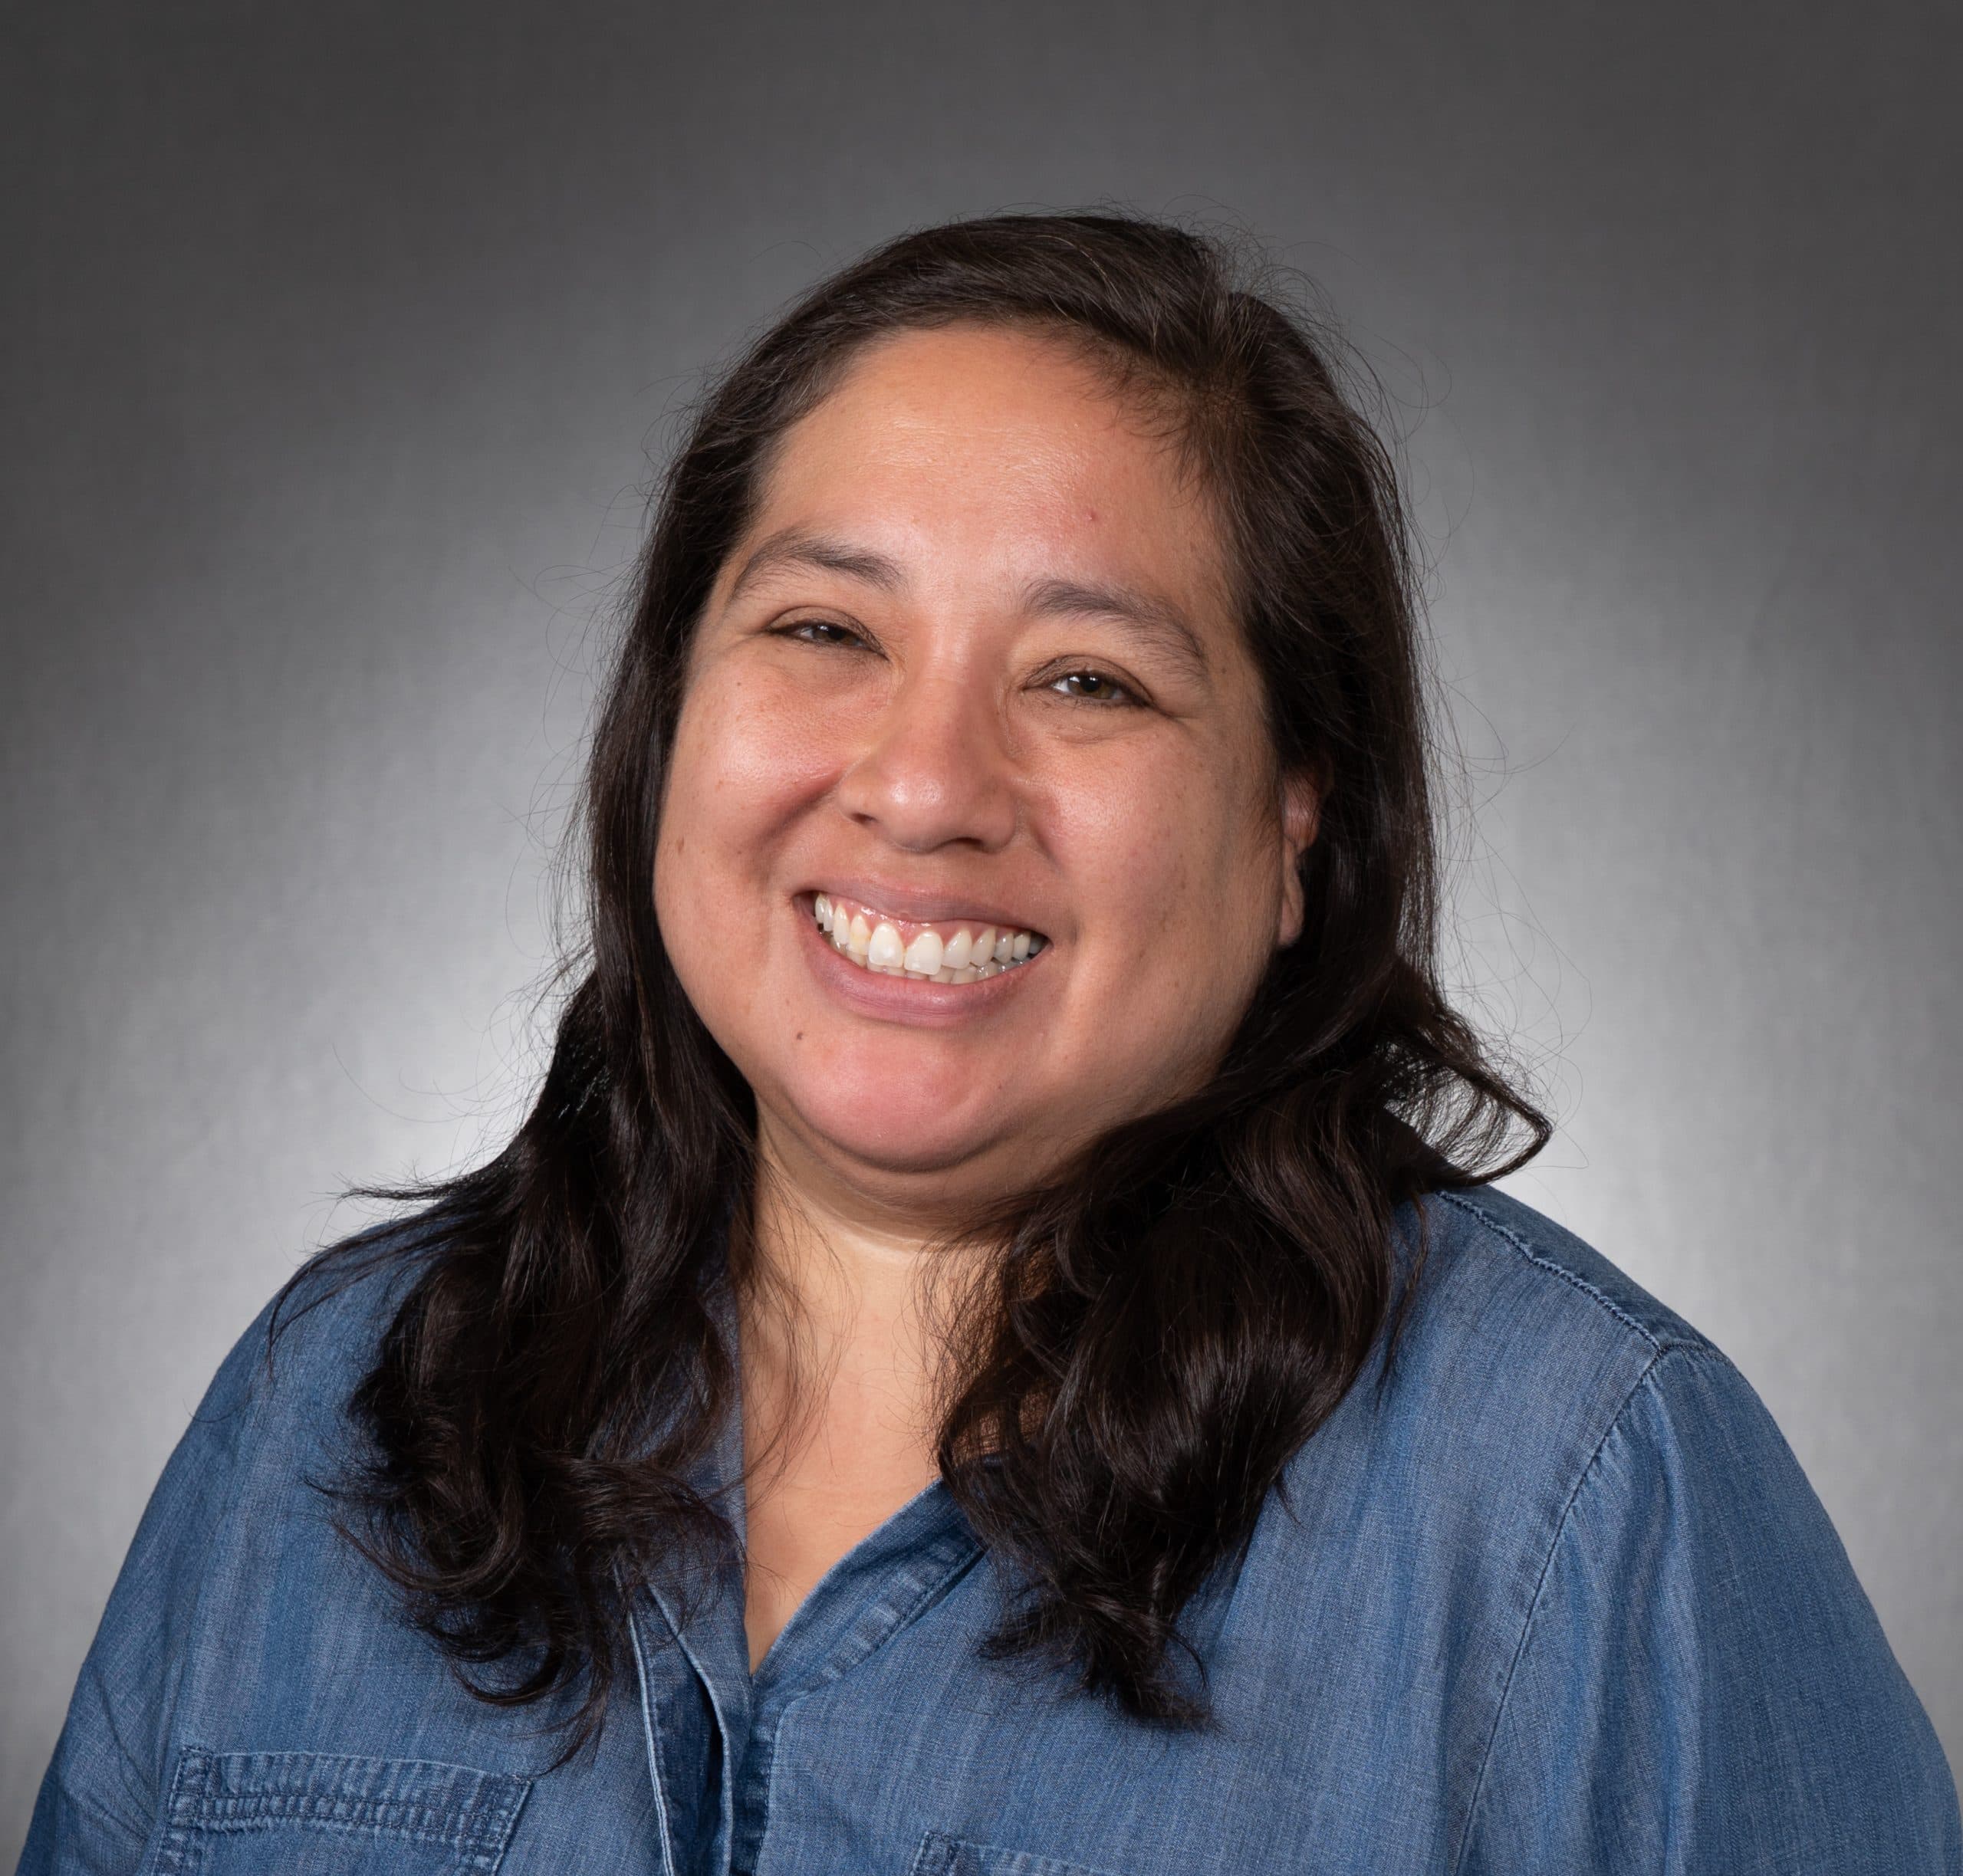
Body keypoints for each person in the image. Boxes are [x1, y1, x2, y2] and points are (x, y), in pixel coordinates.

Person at [18, 211, 1959, 1876]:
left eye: (1086, 679)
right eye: (823, 632)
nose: (927, 784)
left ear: (1295, 826)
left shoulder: (1580, 1493)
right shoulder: (332, 1405)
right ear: (670, 720)